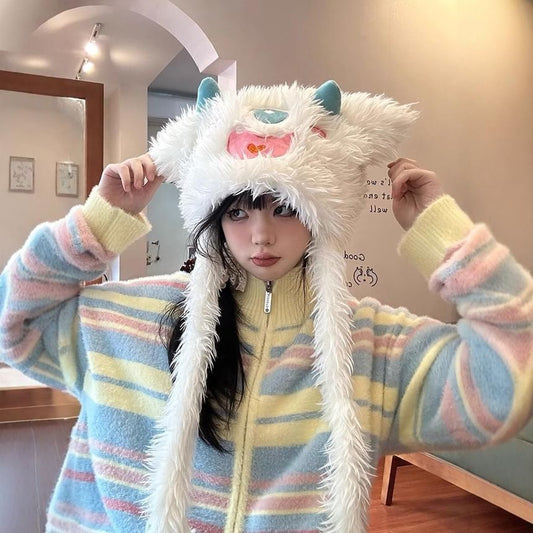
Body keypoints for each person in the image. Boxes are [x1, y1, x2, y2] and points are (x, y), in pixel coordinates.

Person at [1, 79, 532, 533]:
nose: (260, 235)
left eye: (284, 208)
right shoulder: (129, 319)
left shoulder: (373, 348)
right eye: (237, 211)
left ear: (319, 212)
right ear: (213, 216)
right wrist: (99, 222)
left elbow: (508, 377)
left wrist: (438, 228)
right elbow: (14, 320)